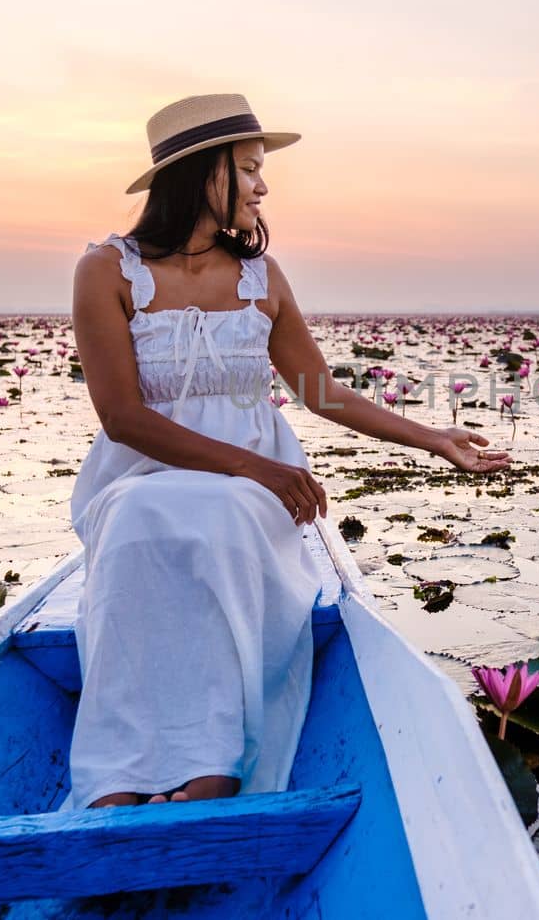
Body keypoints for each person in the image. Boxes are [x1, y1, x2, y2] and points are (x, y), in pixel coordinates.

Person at [65, 93, 510, 810]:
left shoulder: (260, 278)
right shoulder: (105, 271)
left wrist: (433, 439)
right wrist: (259, 467)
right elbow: (121, 416)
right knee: (140, 520)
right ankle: (121, 771)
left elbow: (321, 391)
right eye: (248, 169)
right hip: (146, 474)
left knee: (228, 516)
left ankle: (214, 760)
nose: (263, 187)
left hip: (250, 494)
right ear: (202, 174)